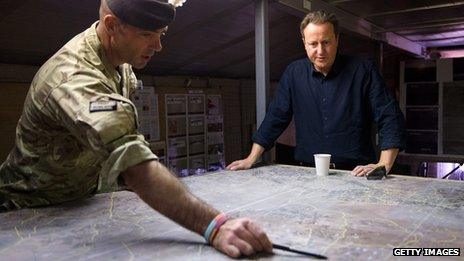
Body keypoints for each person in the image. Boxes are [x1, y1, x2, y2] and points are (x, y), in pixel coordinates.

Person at [0, 0, 273, 257]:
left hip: (79, 203)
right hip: (27, 214)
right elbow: (133, 164)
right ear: (111, 26)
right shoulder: (73, 76)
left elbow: (125, 142)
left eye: (161, 34)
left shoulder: (121, 63)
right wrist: (214, 225)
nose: (158, 46)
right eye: (146, 34)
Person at [227, 10, 405, 176]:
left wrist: (384, 164)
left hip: (354, 173)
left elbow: (389, 116)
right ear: (304, 43)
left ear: (336, 39)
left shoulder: (363, 70)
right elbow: (275, 117)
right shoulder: (293, 73)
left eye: (326, 42)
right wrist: (251, 158)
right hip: (308, 173)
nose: (320, 51)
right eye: (313, 44)